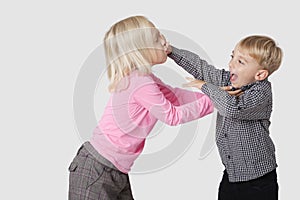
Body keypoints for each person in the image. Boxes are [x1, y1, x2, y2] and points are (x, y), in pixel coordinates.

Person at [68, 15, 214, 200]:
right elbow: (172, 116)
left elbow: (176, 96)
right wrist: (217, 101)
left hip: (116, 170)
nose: (164, 41)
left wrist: (213, 95)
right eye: (156, 39)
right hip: (97, 169)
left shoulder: (144, 79)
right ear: (140, 50)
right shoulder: (140, 83)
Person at [166, 35, 283, 200]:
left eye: (240, 62)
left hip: (258, 180)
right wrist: (172, 52)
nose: (231, 64)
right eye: (232, 56)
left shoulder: (261, 93)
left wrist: (205, 86)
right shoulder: (229, 79)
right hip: (232, 175)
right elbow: (202, 69)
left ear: (260, 74)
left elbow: (232, 108)